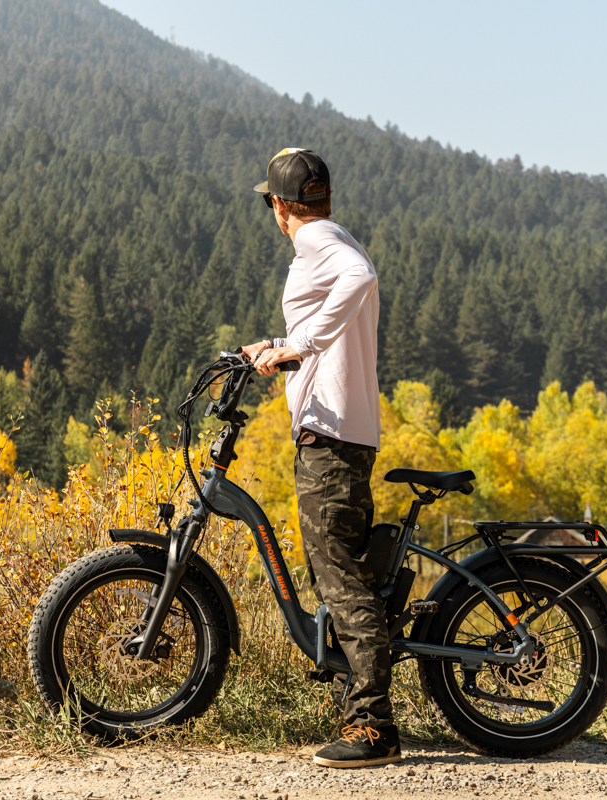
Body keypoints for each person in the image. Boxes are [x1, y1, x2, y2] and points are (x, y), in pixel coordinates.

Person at [242, 148, 399, 769]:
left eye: (270, 203)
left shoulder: (326, 245)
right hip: (337, 429)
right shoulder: (330, 238)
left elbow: (360, 277)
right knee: (341, 573)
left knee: (341, 577)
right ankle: (354, 701)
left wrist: (300, 344)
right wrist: (278, 346)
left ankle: (373, 725)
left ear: (281, 206)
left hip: (332, 435)